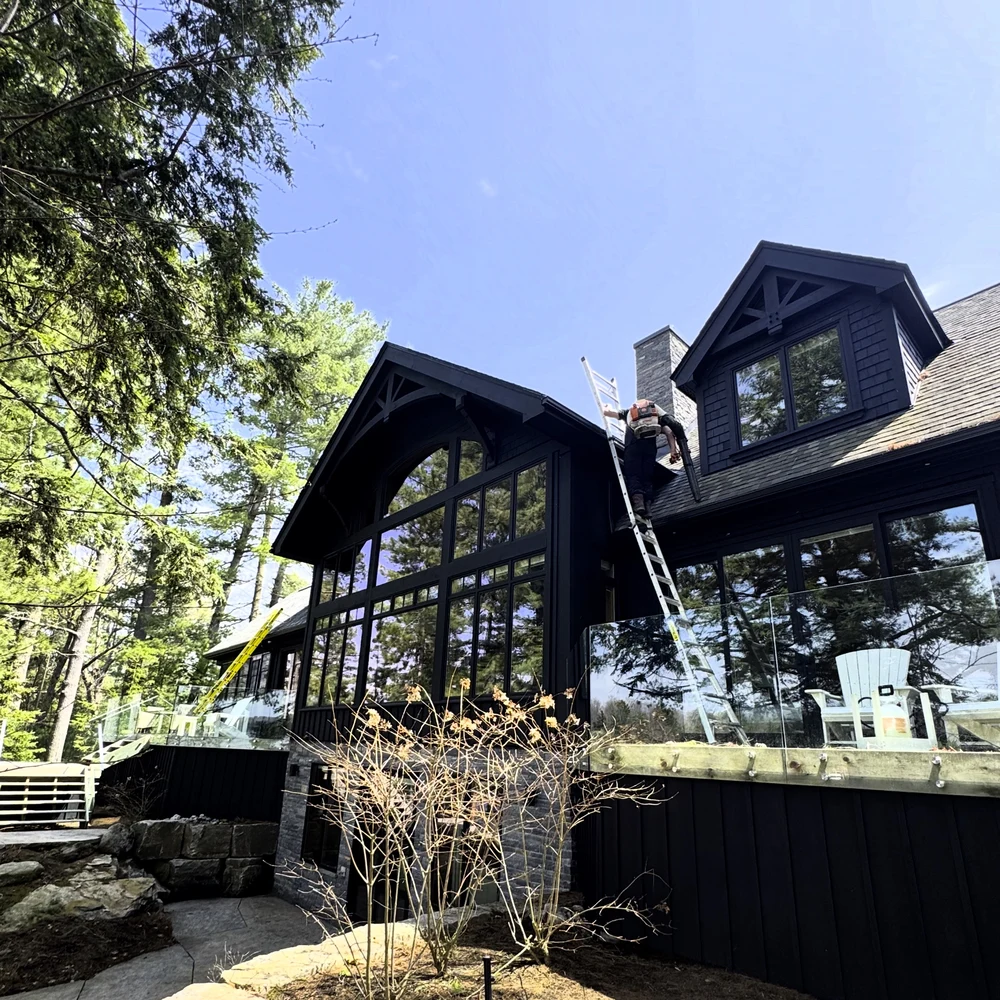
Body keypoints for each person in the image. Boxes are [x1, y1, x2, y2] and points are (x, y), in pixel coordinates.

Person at [602, 399, 683, 520]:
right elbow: (668, 431)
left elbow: (607, 413)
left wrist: (606, 407)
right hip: (649, 449)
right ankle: (648, 506)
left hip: (633, 445)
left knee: (633, 474)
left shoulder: (628, 413)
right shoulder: (656, 416)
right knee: (647, 477)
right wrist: (673, 450)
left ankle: (639, 503)